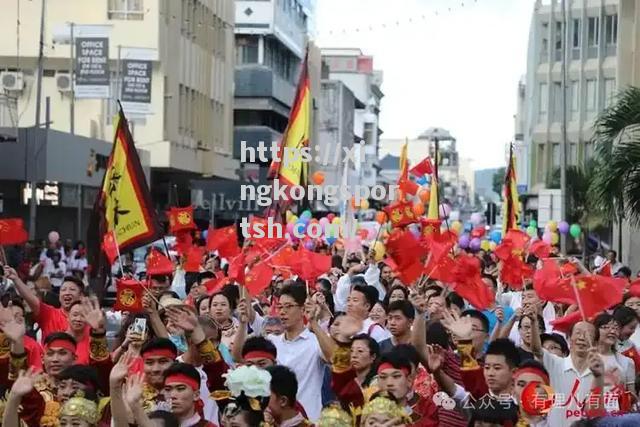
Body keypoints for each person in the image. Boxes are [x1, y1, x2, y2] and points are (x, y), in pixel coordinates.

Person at [6, 266, 85, 340]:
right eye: (63, 289)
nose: (67, 293)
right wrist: (16, 279)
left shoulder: (89, 320)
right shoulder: (49, 314)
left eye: (72, 289)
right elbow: (31, 299)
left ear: (81, 296)